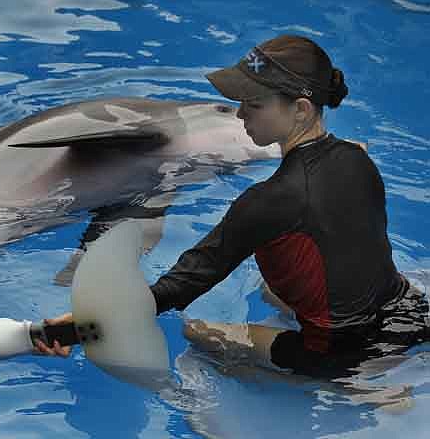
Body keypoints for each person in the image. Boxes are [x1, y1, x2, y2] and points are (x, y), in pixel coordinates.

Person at [36, 35, 430, 378]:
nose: (240, 114)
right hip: (408, 309)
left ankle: (364, 388)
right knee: (273, 288)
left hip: (345, 352)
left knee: (198, 334)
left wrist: (82, 328)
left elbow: (177, 289)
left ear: (301, 110)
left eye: (254, 104)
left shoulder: (267, 202)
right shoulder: (358, 158)